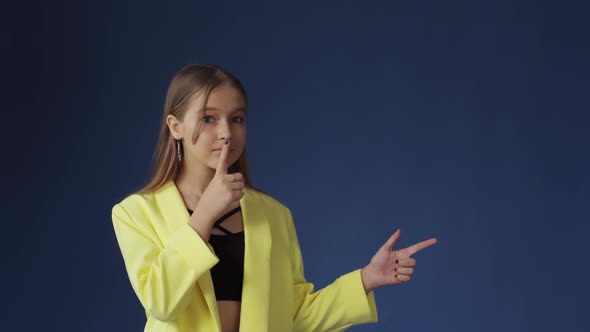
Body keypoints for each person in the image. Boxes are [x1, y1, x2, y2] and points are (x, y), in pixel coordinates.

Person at [111, 64, 438, 332]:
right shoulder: (136, 213)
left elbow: (295, 316)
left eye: (236, 119)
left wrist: (366, 279)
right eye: (209, 118)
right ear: (176, 126)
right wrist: (204, 215)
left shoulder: (273, 215)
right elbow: (161, 303)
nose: (226, 132)